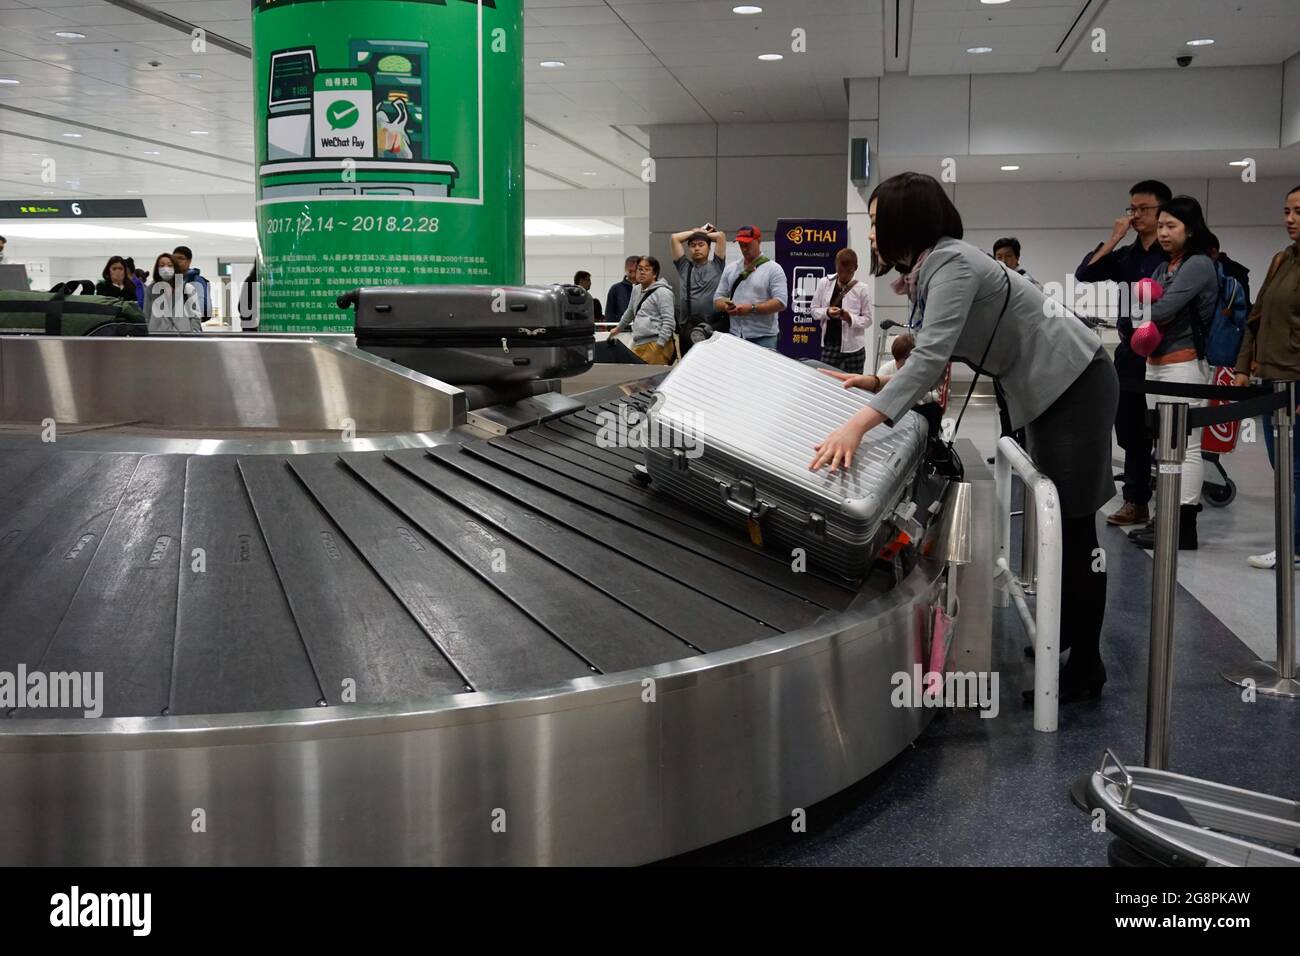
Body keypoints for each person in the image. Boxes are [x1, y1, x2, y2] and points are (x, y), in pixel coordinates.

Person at [810, 172, 1118, 704]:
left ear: (907, 220)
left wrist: (859, 424)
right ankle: (1064, 635)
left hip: (1074, 382)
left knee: (1073, 525)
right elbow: (934, 345)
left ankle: (1087, 664)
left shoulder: (951, 262)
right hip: (1049, 389)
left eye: (878, 221)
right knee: (1063, 523)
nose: (874, 233)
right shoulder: (935, 266)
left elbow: (930, 358)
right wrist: (878, 382)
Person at [1076, 180, 1172, 530]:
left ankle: (1173, 508)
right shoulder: (1127, 256)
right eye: (1132, 208)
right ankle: (1136, 501)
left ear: (1163, 211)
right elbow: (1085, 273)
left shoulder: (1174, 255)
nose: (1136, 215)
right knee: (1131, 427)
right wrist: (1114, 237)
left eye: (1144, 209)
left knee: (1168, 430)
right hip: (1131, 350)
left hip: (1169, 351)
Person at [1127, 196, 1219, 551]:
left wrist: (1146, 309)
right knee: (1164, 447)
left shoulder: (1197, 265)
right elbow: (1139, 311)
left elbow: (1160, 310)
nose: (1163, 233)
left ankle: (1183, 525)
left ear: (1190, 229)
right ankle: (1164, 518)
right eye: (1161, 226)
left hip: (1185, 364)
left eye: (1171, 227)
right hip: (1156, 366)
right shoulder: (1163, 268)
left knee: (1186, 447)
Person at [1236, 185, 1300, 569]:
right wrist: (1244, 366)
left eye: (1298, 211)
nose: (1290, 219)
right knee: (1284, 467)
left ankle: (1292, 546)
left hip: (1296, 379)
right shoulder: (1282, 260)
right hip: (1272, 379)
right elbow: (1256, 317)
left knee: (1295, 469)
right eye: (1287, 211)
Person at [714, 225, 788, 350]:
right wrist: (726, 306)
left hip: (764, 337)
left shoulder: (774, 269)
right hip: (736, 335)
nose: (744, 248)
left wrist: (752, 308)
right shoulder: (731, 269)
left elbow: (781, 302)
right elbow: (717, 299)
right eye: (741, 244)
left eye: (747, 244)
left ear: (759, 242)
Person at [809, 248, 872, 372]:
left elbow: (868, 320)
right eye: (840, 271)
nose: (844, 275)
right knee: (826, 384)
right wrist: (827, 312)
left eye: (848, 272)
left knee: (856, 388)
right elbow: (814, 310)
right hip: (830, 345)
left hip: (854, 347)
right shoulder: (824, 283)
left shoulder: (862, 289)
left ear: (856, 268)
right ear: (835, 265)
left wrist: (849, 318)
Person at [670, 224, 726, 355]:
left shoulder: (717, 264)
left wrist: (702, 234)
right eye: (693, 245)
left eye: (701, 245)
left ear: (708, 247)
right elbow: (675, 238)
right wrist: (696, 232)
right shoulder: (684, 267)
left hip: (713, 326)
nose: (697, 248)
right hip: (688, 328)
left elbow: (720, 236)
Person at [612, 256, 675, 364]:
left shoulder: (663, 292)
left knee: (653, 379)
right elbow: (630, 312)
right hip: (638, 342)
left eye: (647, 269)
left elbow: (669, 322)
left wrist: (660, 344)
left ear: (654, 274)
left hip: (656, 342)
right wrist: (618, 329)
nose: (642, 272)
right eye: (640, 269)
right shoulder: (636, 289)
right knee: (635, 376)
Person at [146, 252, 202, 333]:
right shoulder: (151, 289)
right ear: (157, 269)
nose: (165, 268)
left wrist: (193, 335)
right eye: (161, 265)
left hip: (183, 338)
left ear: (175, 268)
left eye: (170, 265)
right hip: (157, 337)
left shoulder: (187, 289)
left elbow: (195, 317)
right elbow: (146, 315)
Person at [171, 245, 211, 323]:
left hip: (190, 328)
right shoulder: (170, 280)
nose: (176, 261)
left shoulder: (197, 281)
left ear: (189, 261)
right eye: (174, 258)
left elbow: (203, 310)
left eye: (180, 258)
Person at [605, 256, 639, 322]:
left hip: (642, 329)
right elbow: (610, 312)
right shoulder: (615, 289)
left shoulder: (646, 287)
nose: (633, 272)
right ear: (625, 268)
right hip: (621, 329)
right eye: (630, 270)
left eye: (636, 269)